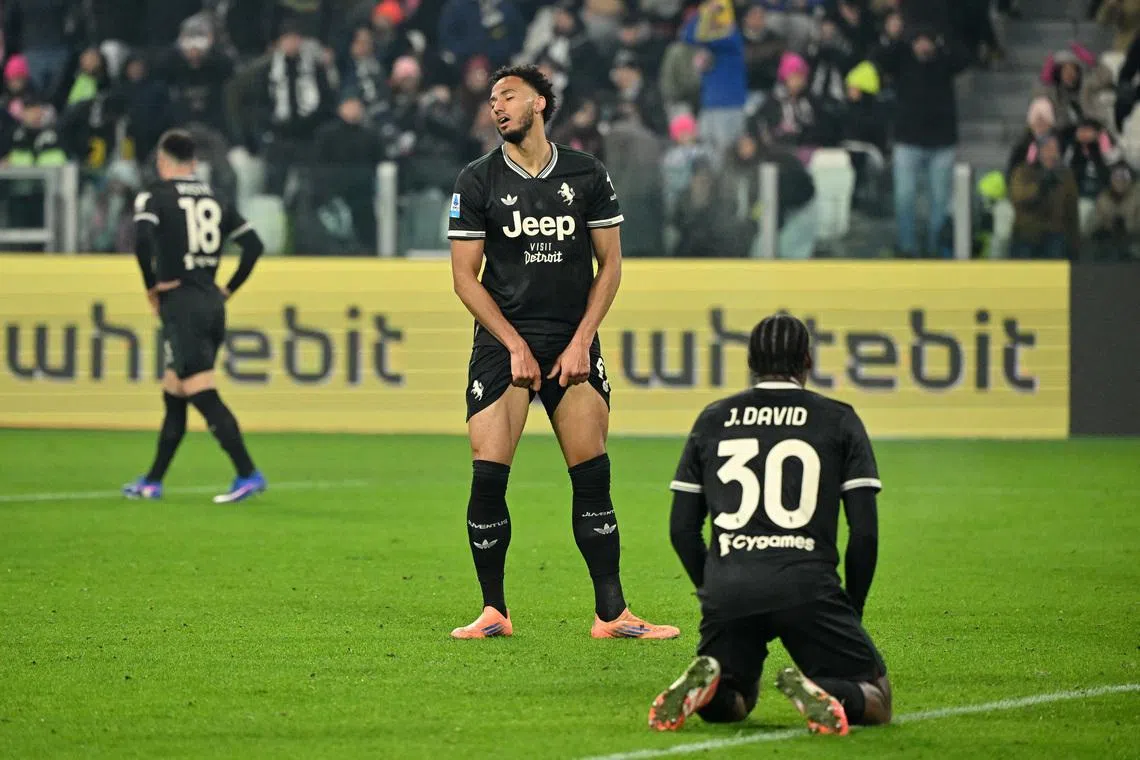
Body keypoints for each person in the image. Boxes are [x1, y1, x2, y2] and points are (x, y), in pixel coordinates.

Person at [446, 64, 680, 641]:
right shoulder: (476, 180)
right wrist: (514, 345)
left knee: (592, 476)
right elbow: (464, 278)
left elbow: (612, 265)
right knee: (488, 475)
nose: (497, 107)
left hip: (571, 343)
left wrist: (581, 340)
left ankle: (612, 615)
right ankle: (493, 611)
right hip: (505, 346)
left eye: (509, 96)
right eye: (492, 99)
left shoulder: (586, 173)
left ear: (541, 104)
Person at [647, 313, 891, 735]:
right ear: (808, 361)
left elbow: (682, 530)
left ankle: (710, 692)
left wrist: (713, 585)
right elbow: (864, 533)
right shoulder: (838, 419)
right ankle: (829, 690)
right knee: (878, 696)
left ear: (750, 362)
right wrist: (853, 607)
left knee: (738, 700)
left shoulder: (713, 418)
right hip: (807, 587)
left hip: (730, 588)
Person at [122, 130, 268, 504]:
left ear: (162, 161)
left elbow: (140, 241)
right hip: (210, 302)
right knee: (175, 390)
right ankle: (153, 480)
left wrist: (151, 286)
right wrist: (227, 288)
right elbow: (253, 246)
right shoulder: (216, 198)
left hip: (181, 304)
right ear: (194, 162)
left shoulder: (155, 195)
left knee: (200, 390)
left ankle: (247, 473)